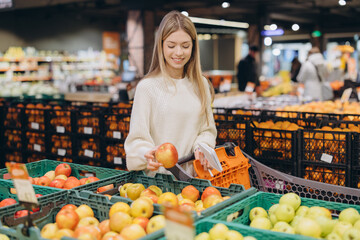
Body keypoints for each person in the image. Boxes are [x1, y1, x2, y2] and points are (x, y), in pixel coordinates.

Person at [124, 11, 217, 177]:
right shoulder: (147, 88)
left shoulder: (200, 84)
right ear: (161, 46)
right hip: (157, 184)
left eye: (185, 46)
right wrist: (146, 153)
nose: (179, 53)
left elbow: (207, 131)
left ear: (194, 47)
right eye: (171, 46)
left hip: (194, 181)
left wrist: (201, 146)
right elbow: (136, 140)